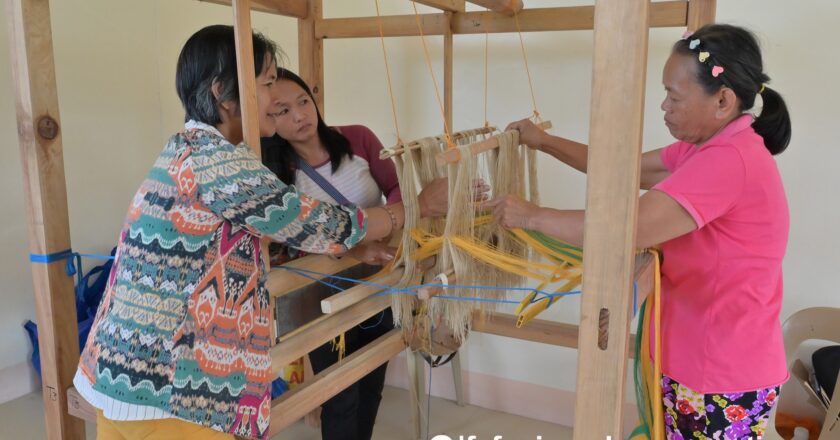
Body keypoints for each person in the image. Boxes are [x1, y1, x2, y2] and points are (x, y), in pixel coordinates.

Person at [72, 25, 446, 440]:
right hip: (172, 392)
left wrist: (352, 249)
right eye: (268, 84)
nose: (277, 101)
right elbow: (327, 224)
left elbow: (248, 238)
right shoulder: (223, 166)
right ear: (222, 92)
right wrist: (416, 209)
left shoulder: (185, 148)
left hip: (122, 372)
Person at [487, 24, 791, 438]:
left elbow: (627, 228)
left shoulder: (729, 161)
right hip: (699, 358)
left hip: (719, 373)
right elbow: (619, 167)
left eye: (674, 96)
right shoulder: (704, 147)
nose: (664, 106)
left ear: (722, 100)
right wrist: (544, 141)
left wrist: (531, 217)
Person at [260, 68, 401, 440]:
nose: (299, 116)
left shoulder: (358, 139)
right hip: (317, 294)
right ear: (268, 120)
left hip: (377, 281)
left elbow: (398, 188)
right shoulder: (277, 173)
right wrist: (357, 247)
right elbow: (292, 237)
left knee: (372, 377)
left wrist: (391, 233)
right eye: (282, 110)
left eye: (304, 102)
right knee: (340, 393)